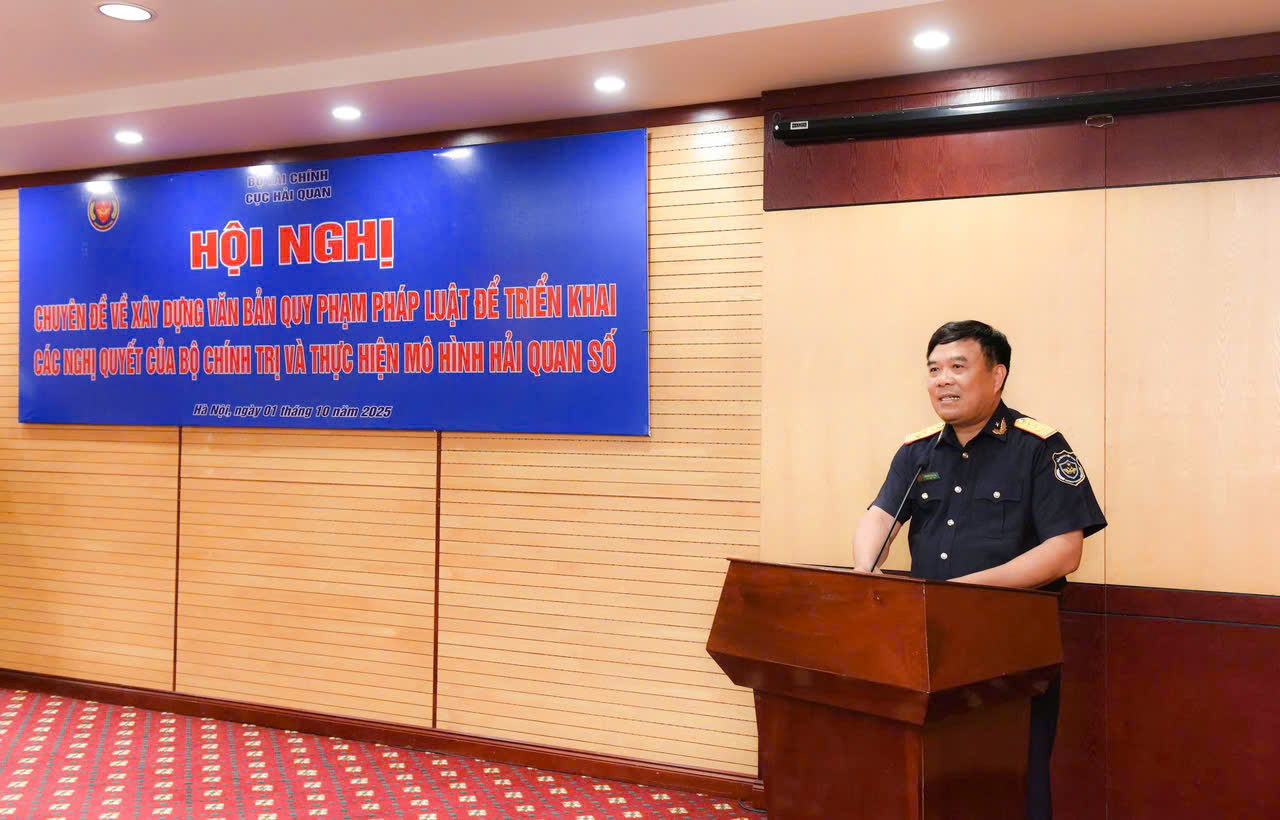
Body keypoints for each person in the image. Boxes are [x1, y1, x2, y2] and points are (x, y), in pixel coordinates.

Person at [851, 320, 1106, 820]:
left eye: (958, 367)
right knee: (935, 775)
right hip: (929, 644)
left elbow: (1064, 551)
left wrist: (965, 591)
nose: (943, 380)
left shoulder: (1039, 447)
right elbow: (881, 516)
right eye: (934, 370)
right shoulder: (917, 451)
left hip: (1010, 649)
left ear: (997, 375)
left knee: (1011, 778)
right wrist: (865, 569)